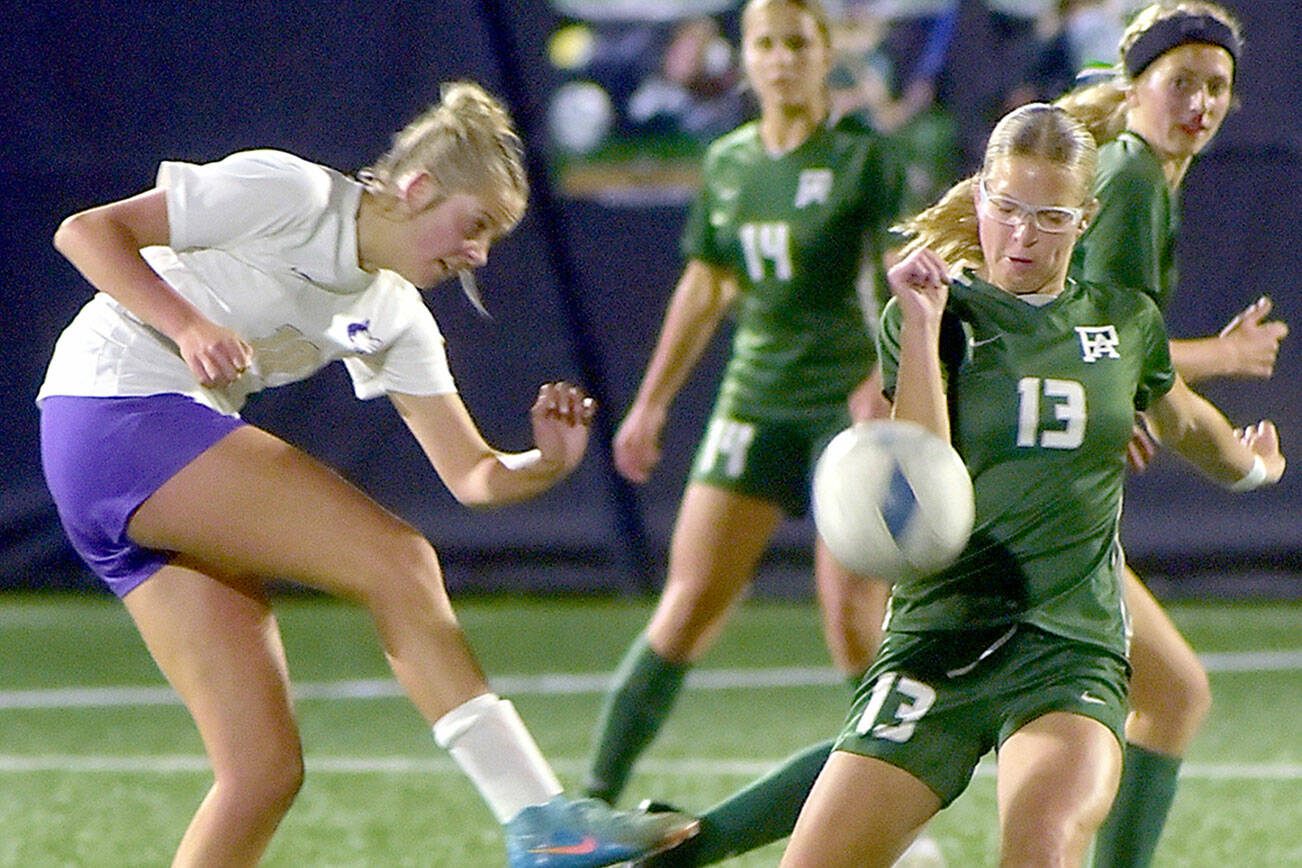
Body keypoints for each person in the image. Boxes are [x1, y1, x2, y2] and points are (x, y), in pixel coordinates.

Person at [36, 81, 697, 868]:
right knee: (399, 560)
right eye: (476, 224)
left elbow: (473, 476)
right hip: (113, 410)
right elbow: (86, 232)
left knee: (262, 774)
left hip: (125, 460)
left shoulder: (394, 314)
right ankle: (541, 820)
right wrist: (186, 323)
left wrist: (544, 465)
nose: (478, 253)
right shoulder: (289, 191)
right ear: (417, 189)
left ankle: (545, 825)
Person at [776, 101, 1284, 868]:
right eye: (1008, 208)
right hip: (937, 641)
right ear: (980, 196)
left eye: (1049, 216)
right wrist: (918, 325)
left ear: (1085, 216)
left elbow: (1183, 422)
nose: (1023, 234)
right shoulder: (937, 316)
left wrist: (1251, 468)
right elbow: (921, 479)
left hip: (1067, 648)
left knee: (1041, 850)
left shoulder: (1123, 322)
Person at [584, 0, 938, 862]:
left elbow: (911, 278)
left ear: (826, 55)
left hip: (845, 411)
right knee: (689, 603)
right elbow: (705, 287)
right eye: (766, 45)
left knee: (851, 616)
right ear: (746, 59)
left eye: (797, 44)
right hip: (754, 402)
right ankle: (588, 802)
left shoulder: (865, 158)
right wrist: (652, 401)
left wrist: (880, 376)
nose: (781, 60)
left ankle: (888, 811)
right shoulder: (731, 161)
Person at [1056, 4, 1288, 865]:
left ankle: (689, 841)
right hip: (1037, 499)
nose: (1200, 101)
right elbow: (1112, 352)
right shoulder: (1132, 177)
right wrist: (1241, 445)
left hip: (1044, 483)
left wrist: (1113, 399)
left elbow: (1107, 351)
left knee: (941, 724)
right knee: (1166, 697)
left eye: (1216, 86)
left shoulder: (1138, 172)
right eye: (1180, 81)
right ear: (1137, 85)